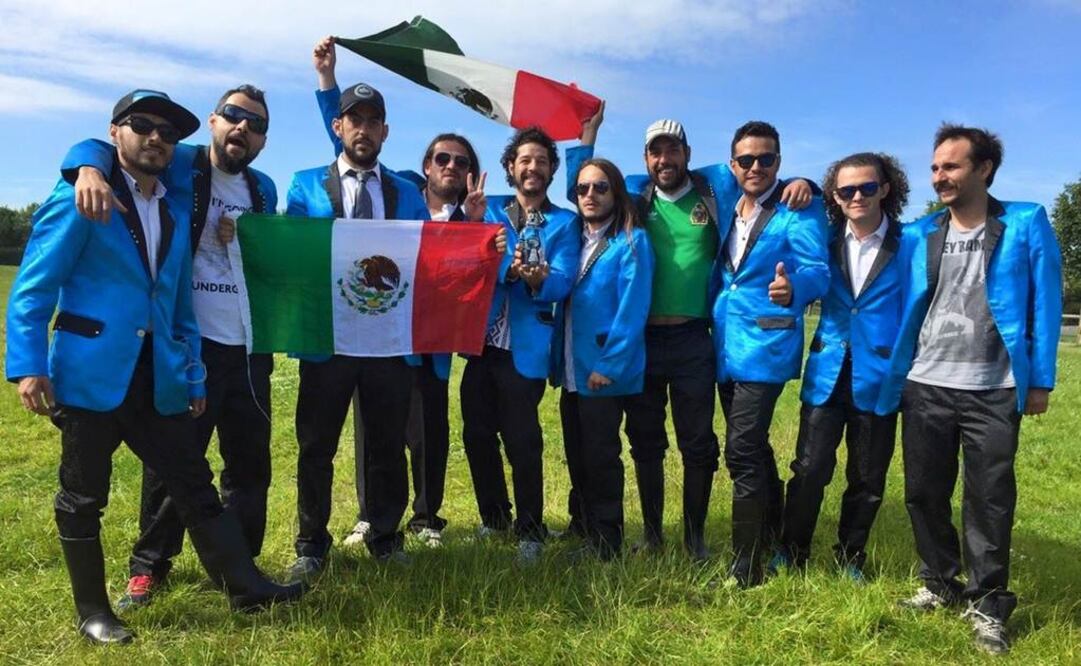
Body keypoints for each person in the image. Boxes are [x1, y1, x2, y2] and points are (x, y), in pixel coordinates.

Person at [5, 89, 302, 645]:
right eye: (142, 125)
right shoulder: (83, 195)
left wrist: (191, 373)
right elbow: (32, 288)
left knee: (193, 482)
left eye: (167, 132)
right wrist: (27, 366)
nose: (156, 138)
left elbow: (178, 307)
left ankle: (245, 587)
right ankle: (94, 611)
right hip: (91, 374)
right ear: (116, 131)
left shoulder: (171, 206)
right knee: (83, 494)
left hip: (159, 377)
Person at [60, 84, 277, 609]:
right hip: (185, 342)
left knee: (246, 464)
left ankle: (241, 570)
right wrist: (86, 169)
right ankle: (149, 566)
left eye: (257, 124)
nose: (243, 128)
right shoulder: (177, 159)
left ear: (264, 140)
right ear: (212, 121)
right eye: (233, 116)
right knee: (172, 464)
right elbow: (103, 144)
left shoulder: (264, 188)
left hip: (247, 346)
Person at [565, 108, 814, 559]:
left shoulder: (713, 185)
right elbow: (579, 186)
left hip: (695, 340)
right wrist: (586, 137)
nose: (665, 159)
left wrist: (804, 183)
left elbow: (758, 168)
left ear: (687, 155)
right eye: (656, 152)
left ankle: (694, 537)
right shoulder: (634, 197)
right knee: (645, 441)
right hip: (644, 342)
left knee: (697, 442)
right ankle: (654, 534)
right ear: (645, 159)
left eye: (673, 150)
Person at [882, 125, 1062, 654]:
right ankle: (939, 582)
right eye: (936, 167)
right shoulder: (922, 232)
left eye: (952, 166)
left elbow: (1046, 303)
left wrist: (1042, 380)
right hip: (926, 383)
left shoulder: (1025, 222)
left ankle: (988, 604)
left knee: (989, 500)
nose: (939, 176)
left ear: (983, 169)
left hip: (994, 387)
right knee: (923, 493)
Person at [311, 36, 489, 547]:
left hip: (417, 342)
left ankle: (424, 517)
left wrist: (470, 224)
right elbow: (345, 144)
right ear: (427, 164)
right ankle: (369, 517)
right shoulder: (402, 188)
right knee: (374, 433)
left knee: (423, 432)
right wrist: (328, 81)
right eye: (441, 158)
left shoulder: (451, 208)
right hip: (355, 334)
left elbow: (458, 265)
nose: (450, 167)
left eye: (459, 160)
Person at [284, 81, 431, 579]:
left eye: (373, 121)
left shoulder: (408, 193)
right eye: (354, 119)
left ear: (385, 131)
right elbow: (295, 257)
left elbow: (424, 259)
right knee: (316, 445)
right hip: (327, 340)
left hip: (387, 343)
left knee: (387, 444)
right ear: (338, 127)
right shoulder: (304, 185)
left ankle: (385, 537)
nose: (363, 129)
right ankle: (311, 543)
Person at [777, 152, 910, 581]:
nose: (857, 196)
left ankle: (850, 556)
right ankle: (791, 550)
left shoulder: (908, 244)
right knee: (809, 469)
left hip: (881, 374)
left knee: (867, 477)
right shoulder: (825, 239)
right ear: (835, 195)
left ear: (885, 189)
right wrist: (806, 182)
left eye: (867, 187)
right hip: (827, 370)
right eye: (846, 189)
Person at [712, 121, 829, 587]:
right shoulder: (724, 199)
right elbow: (654, 178)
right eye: (746, 160)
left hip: (767, 343)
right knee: (755, 449)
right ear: (732, 164)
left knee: (739, 451)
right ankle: (774, 533)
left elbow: (819, 271)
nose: (755, 167)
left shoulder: (798, 208)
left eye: (766, 159)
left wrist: (794, 288)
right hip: (723, 344)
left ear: (779, 162)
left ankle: (747, 567)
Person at [463, 127, 579, 564]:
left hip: (526, 345)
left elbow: (564, 278)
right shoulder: (486, 209)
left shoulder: (565, 222)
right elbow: (466, 265)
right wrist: (474, 227)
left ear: (551, 170)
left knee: (522, 438)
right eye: (524, 160)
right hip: (482, 342)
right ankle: (494, 518)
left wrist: (538, 279)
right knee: (475, 433)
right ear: (510, 167)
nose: (532, 167)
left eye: (541, 160)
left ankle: (531, 529)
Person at [551, 158, 653, 559]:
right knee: (577, 452)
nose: (590, 195)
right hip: (572, 366)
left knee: (601, 457)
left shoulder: (631, 240)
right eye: (582, 189)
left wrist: (608, 366)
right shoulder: (576, 235)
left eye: (600, 187)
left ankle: (606, 541)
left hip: (601, 370)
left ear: (616, 192)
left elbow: (633, 310)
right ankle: (584, 526)